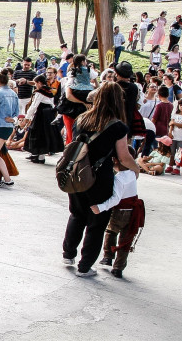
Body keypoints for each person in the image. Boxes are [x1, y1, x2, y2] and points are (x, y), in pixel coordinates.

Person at [62, 82, 139, 276]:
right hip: (100, 178)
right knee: (96, 222)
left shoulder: (82, 119)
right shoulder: (117, 126)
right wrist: (136, 169)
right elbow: (123, 157)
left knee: (77, 214)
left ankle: (68, 253)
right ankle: (85, 266)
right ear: (117, 101)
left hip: (78, 173)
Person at [94, 151, 145, 279]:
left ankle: (108, 257)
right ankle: (118, 268)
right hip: (133, 212)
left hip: (120, 212)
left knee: (111, 232)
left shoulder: (119, 179)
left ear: (116, 161)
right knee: (126, 240)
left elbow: (115, 199)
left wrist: (100, 207)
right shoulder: (133, 174)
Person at [24, 75, 63, 164]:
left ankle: (36, 154)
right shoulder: (49, 91)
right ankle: (40, 156)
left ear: (39, 83)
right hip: (49, 114)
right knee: (45, 134)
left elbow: (34, 105)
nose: (35, 85)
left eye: (36, 83)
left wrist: (27, 117)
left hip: (41, 114)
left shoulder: (40, 92)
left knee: (37, 133)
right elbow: (52, 105)